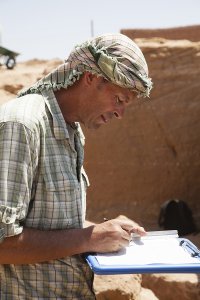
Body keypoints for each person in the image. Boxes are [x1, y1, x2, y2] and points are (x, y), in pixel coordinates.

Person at [0, 33, 152, 299]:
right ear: (91, 77)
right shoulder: (23, 125)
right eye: (119, 99)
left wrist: (105, 230)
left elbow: (49, 220)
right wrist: (88, 238)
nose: (120, 114)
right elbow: (3, 242)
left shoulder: (71, 129)